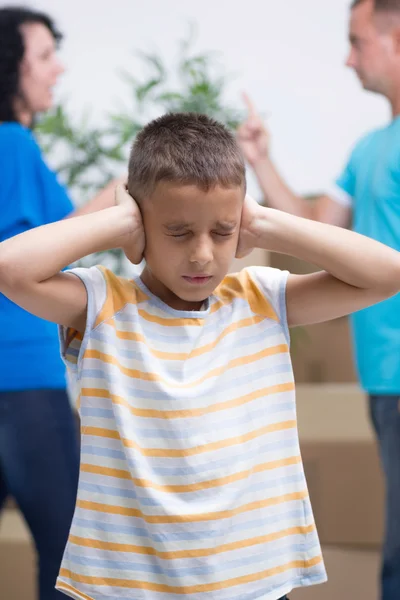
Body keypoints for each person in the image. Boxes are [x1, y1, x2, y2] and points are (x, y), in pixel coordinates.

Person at [1, 111, 400, 600]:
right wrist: (120, 219)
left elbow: (387, 274)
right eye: (179, 232)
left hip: (252, 584)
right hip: (130, 587)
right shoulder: (103, 305)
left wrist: (264, 221)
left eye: (222, 231)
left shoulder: (261, 299)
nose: (203, 255)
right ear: (142, 223)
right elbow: (10, 269)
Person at [237, 1, 400, 598]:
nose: (347, 57)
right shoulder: (369, 148)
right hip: (384, 376)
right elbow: (312, 227)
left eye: (357, 41)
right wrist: (260, 161)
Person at [0, 7, 122, 600]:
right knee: (72, 560)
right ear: (9, 68)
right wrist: (120, 197)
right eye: (44, 57)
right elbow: (35, 255)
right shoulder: (13, 144)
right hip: (22, 377)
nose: (58, 68)